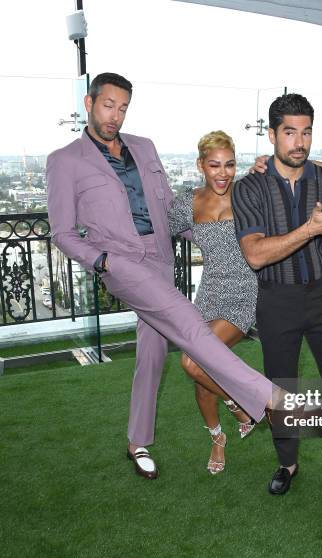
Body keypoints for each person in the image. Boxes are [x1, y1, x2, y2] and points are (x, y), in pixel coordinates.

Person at [46, 72, 283, 481]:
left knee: (152, 354)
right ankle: (266, 398)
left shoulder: (144, 148)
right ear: (89, 103)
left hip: (160, 260)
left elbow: (170, 209)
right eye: (108, 105)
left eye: (122, 107)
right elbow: (62, 233)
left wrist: (218, 235)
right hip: (121, 264)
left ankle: (136, 442)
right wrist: (102, 261)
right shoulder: (64, 161)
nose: (115, 115)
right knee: (189, 323)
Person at [233, 93, 322, 496]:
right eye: (289, 132)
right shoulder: (249, 188)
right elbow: (254, 254)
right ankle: (287, 463)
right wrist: (311, 229)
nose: (299, 142)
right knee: (280, 386)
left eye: (306, 132)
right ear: (271, 135)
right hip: (276, 298)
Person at [168, 131, 257, 474]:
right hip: (208, 293)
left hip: (245, 292)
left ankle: (239, 404)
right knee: (202, 373)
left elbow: (292, 177)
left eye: (230, 164)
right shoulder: (187, 203)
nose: (223, 172)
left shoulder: (249, 194)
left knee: (193, 362)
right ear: (200, 165)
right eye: (214, 165)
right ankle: (218, 438)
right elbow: (157, 233)